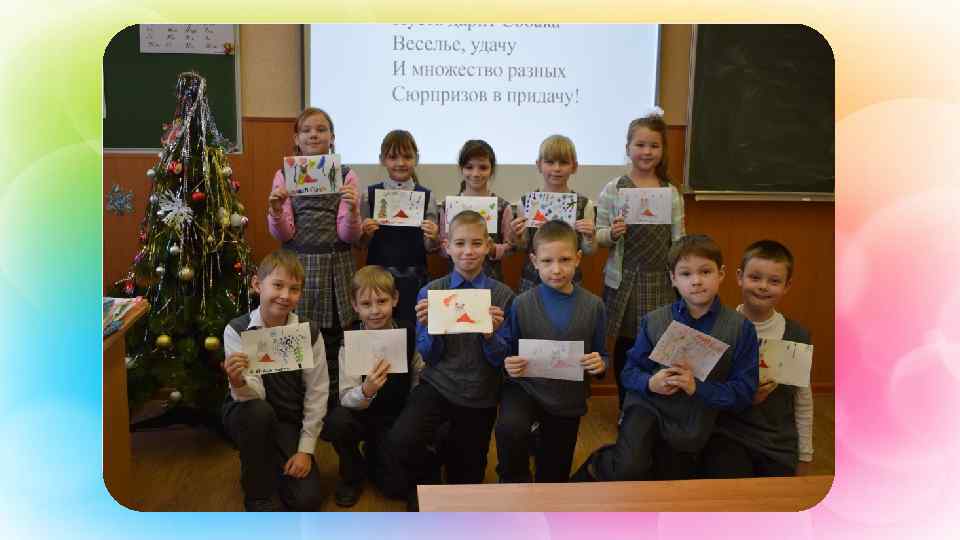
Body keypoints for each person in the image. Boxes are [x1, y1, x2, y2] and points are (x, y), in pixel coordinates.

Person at [572, 234, 759, 482]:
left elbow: (745, 390)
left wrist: (698, 388)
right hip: (647, 405)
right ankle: (600, 464)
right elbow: (629, 373)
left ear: (721, 274)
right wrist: (651, 382)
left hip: (696, 415)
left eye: (705, 272)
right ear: (673, 278)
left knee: (670, 478)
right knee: (629, 468)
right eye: (686, 274)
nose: (696, 281)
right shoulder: (654, 321)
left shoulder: (741, 329)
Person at [383, 210, 514, 508]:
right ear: (447, 247)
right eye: (460, 243)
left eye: (476, 243)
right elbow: (428, 355)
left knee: (466, 480)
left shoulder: (503, 295)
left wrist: (491, 335)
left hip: (480, 393)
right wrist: (432, 329)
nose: (468, 251)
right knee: (401, 440)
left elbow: (501, 361)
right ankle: (429, 474)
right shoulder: (431, 292)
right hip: (438, 384)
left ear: (488, 246)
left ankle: (447, 453)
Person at [266, 107, 362, 417]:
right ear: (296, 138)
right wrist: (276, 211)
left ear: (332, 138)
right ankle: (296, 409)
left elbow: (349, 235)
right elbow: (283, 233)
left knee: (333, 337)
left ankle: (332, 407)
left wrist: (353, 210)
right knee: (297, 335)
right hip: (298, 264)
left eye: (321, 129)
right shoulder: (284, 175)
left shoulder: (346, 174)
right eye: (306, 130)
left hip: (336, 262)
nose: (314, 135)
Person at [495, 220, 607, 483]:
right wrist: (508, 363)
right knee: (510, 429)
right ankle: (514, 481)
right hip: (526, 389)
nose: (556, 269)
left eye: (565, 260)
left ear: (578, 258)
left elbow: (602, 354)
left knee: (554, 476)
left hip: (567, 397)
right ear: (534, 261)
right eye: (547, 261)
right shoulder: (521, 303)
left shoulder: (594, 306)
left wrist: (600, 364)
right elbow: (509, 350)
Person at [221, 250, 328, 511]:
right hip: (248, 409)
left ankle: (272, 460)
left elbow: (317, 392)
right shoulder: (237, 329)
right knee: (258, 413)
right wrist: (238, 381)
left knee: (307, 500)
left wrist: (305, 450)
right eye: (278, 285)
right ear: (258, 285)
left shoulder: (309, 332)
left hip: (287, 419)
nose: (285, 295)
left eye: (294, 289)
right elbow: (255, 394)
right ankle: (256, 494)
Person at [595, 109, 685, 410]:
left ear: (662, 150)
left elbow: (679, 240)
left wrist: (680, 276)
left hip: (661, 279)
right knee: (626, 344)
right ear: (628, 147)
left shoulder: (670, 192)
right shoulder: (613, 189)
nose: (647, 152)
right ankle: (627, 406)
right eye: (640, 145)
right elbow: (598, 235)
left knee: (658, 343)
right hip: (625, 280)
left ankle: (654, 405)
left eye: (654, 146)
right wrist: (612, 233)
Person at [699, 240, 814, 477]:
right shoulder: (718, 329)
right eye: (755, 277)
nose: (763, 286)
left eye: (774, 281)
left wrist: (805, 454)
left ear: (787, 286)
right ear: (739, 277)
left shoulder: (796, 335)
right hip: (727, 436)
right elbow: (703, 393)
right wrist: (741, 396)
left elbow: (802, 399)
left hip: (777, 444)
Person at [321, 265, 425, 506]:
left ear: (395, 299)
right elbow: (345, 396)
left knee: (394, 487)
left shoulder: (408, 332)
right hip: (360, 414)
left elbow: (418, 376)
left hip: (394, 417)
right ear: (355, 306)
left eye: (382, 301)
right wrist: (366, 390)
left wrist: (410, 414)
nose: (375, 311)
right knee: (337, 422)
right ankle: (352, 474)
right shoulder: (350, 339)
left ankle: (376, 452)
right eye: (366, 304)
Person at [359, 130, 440, 325]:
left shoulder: (427, 197)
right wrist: (366, 233)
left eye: (407, 157)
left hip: (414, 278)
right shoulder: (369, 195)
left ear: (416, 158)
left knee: (412, 327)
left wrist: (433, 236)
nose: (400, 163)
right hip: (377, 279)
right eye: (393, 157)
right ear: (382, 159)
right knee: (379, 329)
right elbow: (361, 244)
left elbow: (430, 247)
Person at [510, 134, 596, 293]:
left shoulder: (585, 205)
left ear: (574, 166)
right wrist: (518, 236)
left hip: (569, 280)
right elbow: (523, 246)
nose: (556, 168)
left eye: (563, 162)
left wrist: (590, 237)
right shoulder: (526, 203)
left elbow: (589, 251)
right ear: (539, 165)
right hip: (533, 281)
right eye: (550, 162)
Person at [438, 140, 515, 283]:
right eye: (469, 167)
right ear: (461, 169)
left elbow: (510, 248)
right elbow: (443, 249)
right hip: (456, 282)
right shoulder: (448, 206)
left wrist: (493, 249)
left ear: (491, 169)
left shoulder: (503, 207)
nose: (476, 173)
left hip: (491, 281)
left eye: (483, 167)